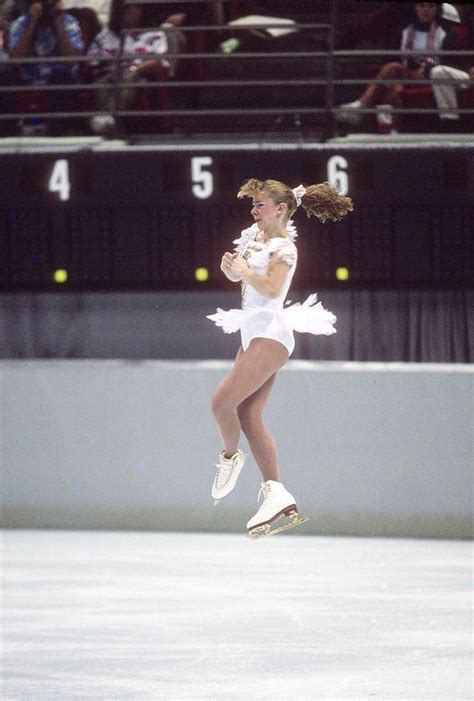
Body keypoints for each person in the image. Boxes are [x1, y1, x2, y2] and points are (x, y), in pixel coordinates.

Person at [207, 178, 353, 538]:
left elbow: (272, 289)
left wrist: (243, 272)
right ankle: (276, 492)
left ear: (280, 209)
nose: (253, 210)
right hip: (252, 329)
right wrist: (232, 271)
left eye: (259, 205)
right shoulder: (254, 238)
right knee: (248, 413)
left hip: (271, 332)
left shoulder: (284, 247)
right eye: (253, 204)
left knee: (221, 404)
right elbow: (245, 279)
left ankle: (229, 458)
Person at [336, 2, 463, 128]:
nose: (426, 10)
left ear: (436, 9)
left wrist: (428, 68)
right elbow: (394, 57)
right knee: (394, 86)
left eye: (431, 6)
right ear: (415, 8)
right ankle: (392, 132)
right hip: (406, 73)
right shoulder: (404, 31)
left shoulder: (444, 33)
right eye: (421, 6)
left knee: (393, 68)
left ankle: (360, 105)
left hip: (430, 76)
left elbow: (451, 64)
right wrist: (411, 65)